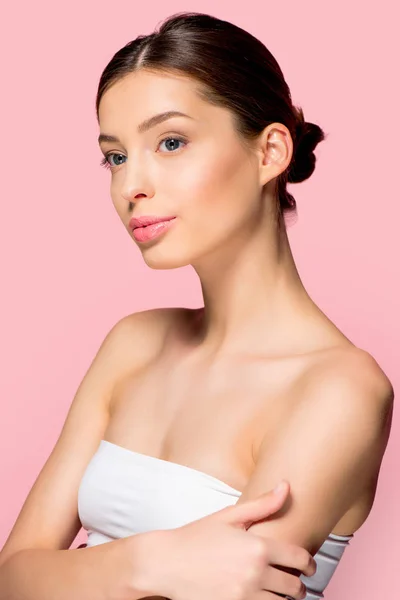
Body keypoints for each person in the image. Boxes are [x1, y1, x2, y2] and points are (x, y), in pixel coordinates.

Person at [0, 10, 394, 600]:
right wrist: (149, 564)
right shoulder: (134, 341)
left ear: (270, 153)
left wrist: (72, 572)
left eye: (171, 141)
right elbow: (10, 577)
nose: (131, 184)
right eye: (116, 155)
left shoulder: (340, 388)